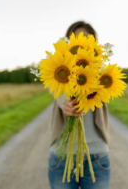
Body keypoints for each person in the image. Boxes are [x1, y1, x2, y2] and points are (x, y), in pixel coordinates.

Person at [47, 21, 111, 189]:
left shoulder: (102, 71)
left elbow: (104, 95)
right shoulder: (57, 67)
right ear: (67, 42)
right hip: (61, 156)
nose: (81, 44)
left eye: (86, 39)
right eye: (76, 39)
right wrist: (67, 104)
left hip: (97, 155)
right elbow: (58, 92)